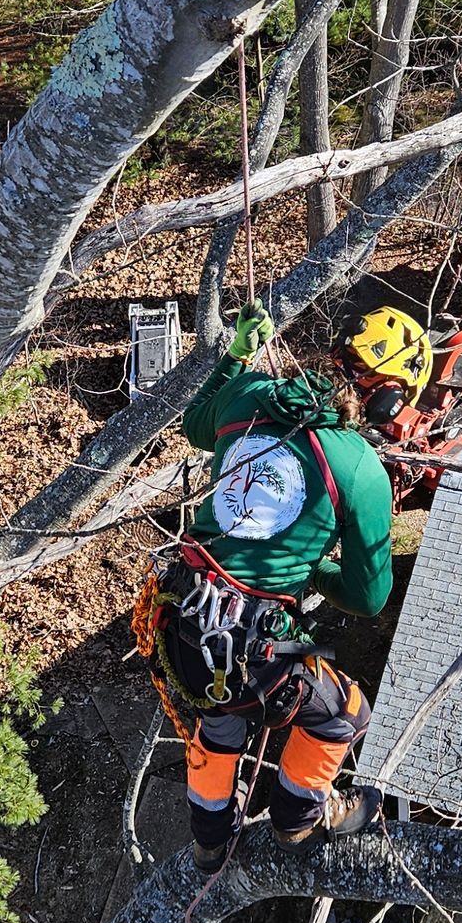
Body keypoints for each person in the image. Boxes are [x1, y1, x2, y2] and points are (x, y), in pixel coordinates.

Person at [141, 303, 396, 873]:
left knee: (219, 712)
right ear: (387, 396)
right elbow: (368, 597)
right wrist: (313, 571)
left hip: (181, 618)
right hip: (254, 644)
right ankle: (297, 820)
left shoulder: (251, 395)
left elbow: (194, 423)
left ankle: (210, 839)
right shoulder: (358, 468)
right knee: (343, 715)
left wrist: (236, 355)